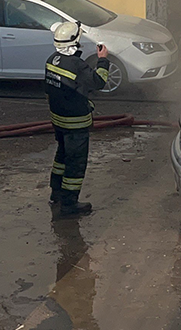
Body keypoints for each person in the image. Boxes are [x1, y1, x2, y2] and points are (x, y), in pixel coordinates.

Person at [45, 22, 109, 216]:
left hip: (58, 120)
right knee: (75, 164)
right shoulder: (77, 66)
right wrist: (103, 60)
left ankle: (56, 192)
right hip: (76, 124)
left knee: (62, 156)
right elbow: (99, 82)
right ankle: (69, 205)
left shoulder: (52, 59)